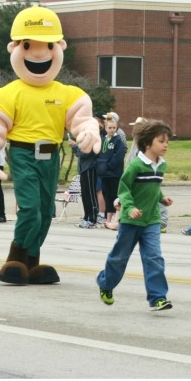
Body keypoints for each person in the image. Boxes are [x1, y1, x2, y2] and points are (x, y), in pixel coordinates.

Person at [0, 4, 101, 284]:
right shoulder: (8, 94)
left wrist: (89, 129)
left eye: (47, 45)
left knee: (46, 211)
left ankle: (31, 261)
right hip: (22, 152)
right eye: (28, 45)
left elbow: (80, 119)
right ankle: (15, 257)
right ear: (15, 48)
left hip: (51, 154)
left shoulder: (67, 93)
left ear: (59, 47)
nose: (38, 53)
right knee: (31, 208)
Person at [96, 119, 173, 310]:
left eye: (167, 142)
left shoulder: (161, 166)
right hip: (131, 221)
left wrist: (162, 198)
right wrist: (129, 207)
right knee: (120, 258)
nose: (166, 145)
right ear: (148, 143)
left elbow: (152, 188)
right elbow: (124, 189)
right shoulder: (136, 166)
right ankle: (105, 283)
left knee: (154, 257)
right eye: (161, 141)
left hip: (151, 220)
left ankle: (158, 298)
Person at [96, 115, 127, 230]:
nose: (112, 130)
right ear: (105, 128)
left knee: (115, 195)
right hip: (105, 174)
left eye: (114, 128)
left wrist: (109, 165)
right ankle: (108, 218)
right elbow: (100, 154)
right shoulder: (104, 140)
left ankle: (116, 217)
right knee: (106, 195)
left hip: (114, 173)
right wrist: (100, 166)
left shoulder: (118, 140)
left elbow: (119, 156)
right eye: (110, 128)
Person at [73, 127, 101, 229]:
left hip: (90, 169)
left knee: (90, 194)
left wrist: (74, 146)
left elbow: (83, 153)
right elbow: (78, 153)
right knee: (84, 195)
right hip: (83, 170)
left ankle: (93, 218)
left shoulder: (91, 140)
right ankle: (86, 216)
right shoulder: (83, 142)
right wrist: (75, 147)